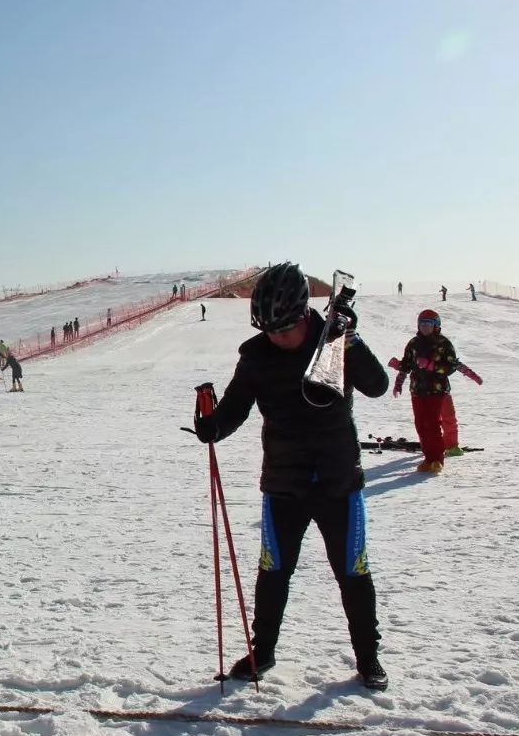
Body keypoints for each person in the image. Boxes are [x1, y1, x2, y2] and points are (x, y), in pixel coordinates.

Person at [192, 262, 389, 691]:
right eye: (269, 330)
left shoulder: (334, 341)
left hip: (339, 482)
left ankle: (367, 658)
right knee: (274, 571)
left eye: (283, 330)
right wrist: (213, 427)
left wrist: (351, 341)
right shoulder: (256, 356)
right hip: (283, 484)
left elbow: (378, 386)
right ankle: (263, 652)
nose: (276, 338)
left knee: (353, 572)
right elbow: (235, 408)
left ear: (304, 315)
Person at [393, 310, 461, 473]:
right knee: (420, 424)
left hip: (436, 390)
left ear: (436, 326)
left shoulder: (443, 343)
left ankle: (437, 458)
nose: (424, 327)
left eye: (428, 324)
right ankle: (428, 457)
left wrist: (431, 366)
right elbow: (406, 365)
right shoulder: (413, 343)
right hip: (417, 389)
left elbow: (451, 367)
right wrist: (398, 380)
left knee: (432, 423)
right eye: (422, 324)